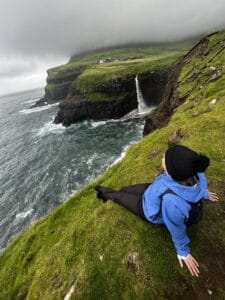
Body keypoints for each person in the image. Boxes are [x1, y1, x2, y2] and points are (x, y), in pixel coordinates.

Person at [95, 144, 219, 277]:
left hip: (148, 209)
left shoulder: (172, 203)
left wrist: (183, 251)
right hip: (153, 191)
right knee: (125, 189)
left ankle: (103, 194)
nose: (163, 157)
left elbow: (177, 228)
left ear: (170, 172)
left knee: (119, 197)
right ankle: (113, 192)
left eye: (165, 158)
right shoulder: (195, 170)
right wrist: (202, 194)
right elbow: (197, 187)